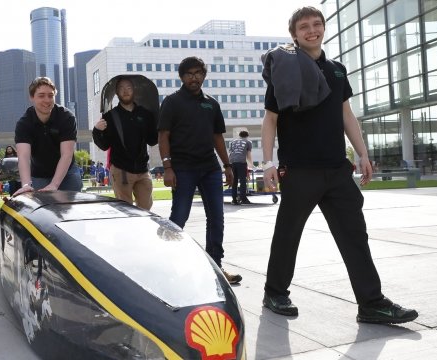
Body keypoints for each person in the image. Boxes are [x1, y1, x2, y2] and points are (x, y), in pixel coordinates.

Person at [260, 6, 417, 324]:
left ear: (323, 28)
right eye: (303, 26)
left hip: (336, 168)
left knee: (355, 236)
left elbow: (346, 114)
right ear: (294, 34)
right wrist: (267, 163)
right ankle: (275, 292)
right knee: (288, 234)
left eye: (317, 24)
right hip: (300, 168)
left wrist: (362, 153)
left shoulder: (337, 70)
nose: (311, 30)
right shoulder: (285, 68)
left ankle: (371, 302)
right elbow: (270, 119)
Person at [158, 56, 241, 285]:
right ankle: (168, 264)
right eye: (189, 74)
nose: (194, 77)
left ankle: (215, 267)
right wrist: (167, 167)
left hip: (210, 168)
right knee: (179, 218)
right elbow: (163, 136)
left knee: (217, 218)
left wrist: (227, 165)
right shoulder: (172, 102)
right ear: (182, 77)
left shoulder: (211, 103)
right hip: (183, 168)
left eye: (198, 73)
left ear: (204, 75)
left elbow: (217, 137)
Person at [92, 76, 158, 210]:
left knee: (146, 207)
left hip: (142, 169)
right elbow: (104, 145)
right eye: (121, 88)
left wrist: (159, 126)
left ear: (134, 90)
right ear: (116, 92)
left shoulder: (145, 114)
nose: (125, 91)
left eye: (128, 87)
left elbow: (152, 140)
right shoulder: (110, 116)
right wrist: (97, 131)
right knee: (125, 210)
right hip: (121, 170)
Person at [13, 77, 82, 196]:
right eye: (41, 95)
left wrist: (54, 184)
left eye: (51, 95)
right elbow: (23, 156)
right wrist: (25, 184)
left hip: (67, 172)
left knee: (71, 210)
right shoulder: (24, 123)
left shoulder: (67, 117)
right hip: (39, 174)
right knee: (44, 211)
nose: (47, 100)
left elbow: (67, 154)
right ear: (32, 97)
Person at [228, 130, 253, 205]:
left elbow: (230, 154)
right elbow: (248, 155)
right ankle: (243, 199)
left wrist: (228, 165)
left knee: (234, 181)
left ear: (239, 135)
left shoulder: (233, 142)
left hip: (232, 163)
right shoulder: (248, 142)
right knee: (242, 181)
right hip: (241, 162)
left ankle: (234, 199)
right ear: (247, 136)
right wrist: (251, 165)